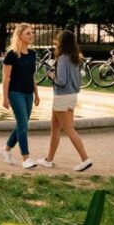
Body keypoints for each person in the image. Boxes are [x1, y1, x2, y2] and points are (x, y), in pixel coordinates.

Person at [39, 30, 93, 172]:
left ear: (61, 42)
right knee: (55, 128)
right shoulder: (76, 58)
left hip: (62, 97)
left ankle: (85, 159)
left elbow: (61, 81)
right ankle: (48, 160)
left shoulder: (63, 58)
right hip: (72, 96)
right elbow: (76, 81)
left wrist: (51, 76)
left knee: (69, 129)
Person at [0, 24, 40, 169]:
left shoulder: (32, 53)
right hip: (15, 93)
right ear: (20, 36)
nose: (31, 35)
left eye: (32, 33)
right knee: (23, 124)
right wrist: (5, 98)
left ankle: (5, 150)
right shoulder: (11, 55)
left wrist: (36, 93)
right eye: (28, 33)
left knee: (23, 124)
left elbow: (31, 75)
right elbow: (6, 78)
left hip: (28, 93)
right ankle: (26, 159)